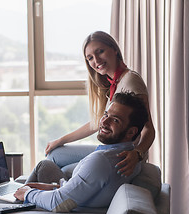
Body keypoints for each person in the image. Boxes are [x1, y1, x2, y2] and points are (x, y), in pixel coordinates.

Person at [14, 92, 149, 212]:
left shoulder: (101, 161)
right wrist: (52, 188)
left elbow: (59, 203)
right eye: (106, 114)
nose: (104, 122)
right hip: (73, 198)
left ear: (131, 132)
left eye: (115, 120)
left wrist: (28, 193)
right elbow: (84, 191)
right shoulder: (132, 158)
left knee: (42, 167)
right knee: (44, 166)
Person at [45, 31, 155, 177]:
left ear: (114, 49)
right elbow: (97, 123)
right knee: (55, 154)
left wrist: (137, 154)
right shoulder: (114, 84)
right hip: (112, 150)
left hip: (122, 156)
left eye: (100, 52)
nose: (96, 60)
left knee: (56, 160)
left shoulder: (130, 81)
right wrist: (60, 140)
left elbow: (149, 129)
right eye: (90, 58)